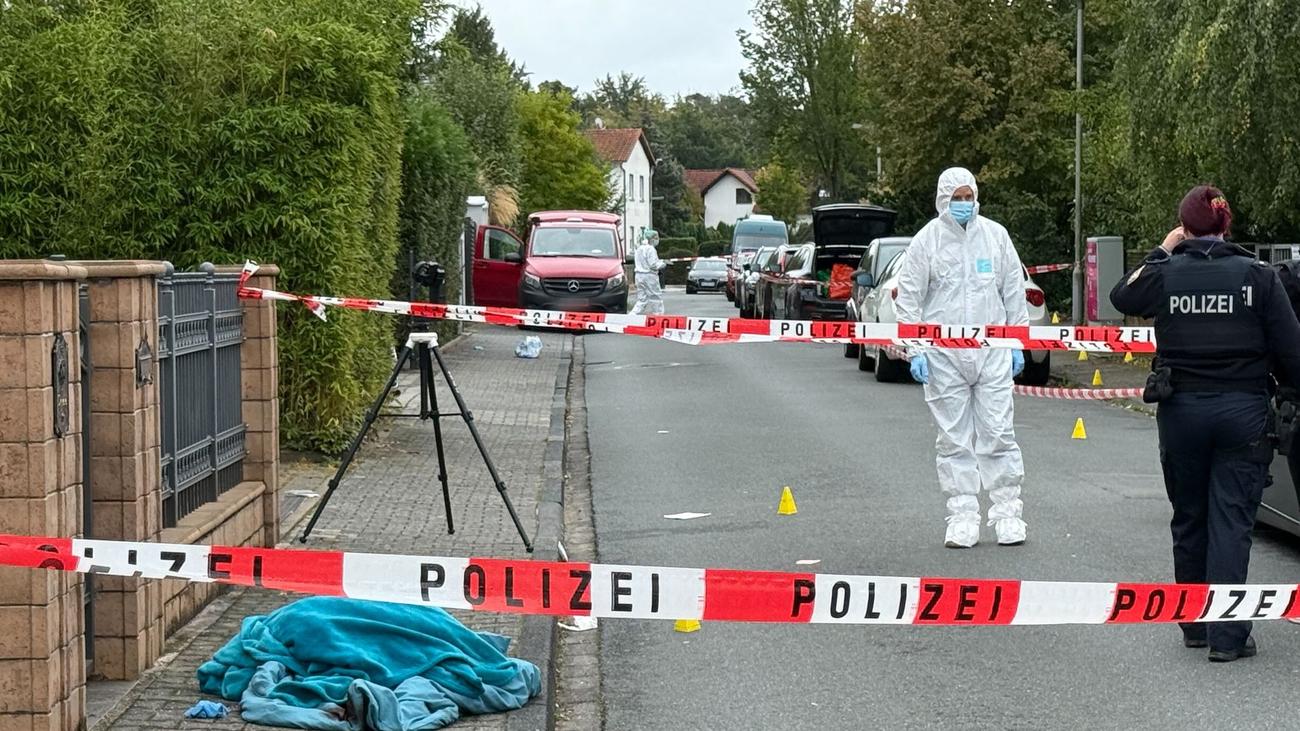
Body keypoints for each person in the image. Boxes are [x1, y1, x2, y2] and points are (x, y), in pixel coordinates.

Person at [1110, 185, 1300, 661]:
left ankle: (1194, 624)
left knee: (1189, 516)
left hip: (1183, 413)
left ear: (1184, 227)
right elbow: (1293, 355)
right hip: (1243, 414)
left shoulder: (1166, 273)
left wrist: (1163, 247)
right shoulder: (1258, 276)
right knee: (1232, 521)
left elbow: (1122, 295)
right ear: (1226, 224)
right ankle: (1227, 637)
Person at [894, 167, 1029, 549]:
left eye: (969, 197)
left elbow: (1013, 293)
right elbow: (909, 299)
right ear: (943, 199)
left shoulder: (995, 237)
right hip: (944, 357)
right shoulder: (927, 241)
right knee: (954, 440)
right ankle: (962, 516)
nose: (964, 204)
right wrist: (916, 349)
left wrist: (1017, 342)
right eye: (957, 198)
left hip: (991, 352)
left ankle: (1008, 514)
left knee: (998, 433)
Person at [631, 229, 668, 315]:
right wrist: (663, 264)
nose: (657, 240)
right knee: (655, 297)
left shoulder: (639, 248)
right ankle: (658, 316)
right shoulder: (651, 249)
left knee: (642, 299)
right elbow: (653, 265)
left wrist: (659, 261)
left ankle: (632, 316)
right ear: (652, 239)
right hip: (649, 276)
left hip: (639, 276)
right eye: (656, 238)